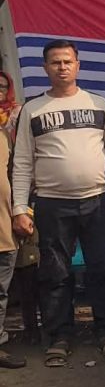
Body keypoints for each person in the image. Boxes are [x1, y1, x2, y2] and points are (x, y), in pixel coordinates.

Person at [11, 39, 105, 367]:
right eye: (55, 62)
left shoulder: (98, 104)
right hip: (51, 203)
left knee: (102, 268)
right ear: (45, 67)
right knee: (55, 272)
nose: (62, 67)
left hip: (98, 200)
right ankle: (59, 336)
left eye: (67, 61)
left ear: (78, 65)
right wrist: (19, 208)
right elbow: (22, 162)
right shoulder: (33, 110)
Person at [0, 115, 24, 368]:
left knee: (0, 293)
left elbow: (17, 176)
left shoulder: (4, 137)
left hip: (3, 230)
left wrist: (20, 213)